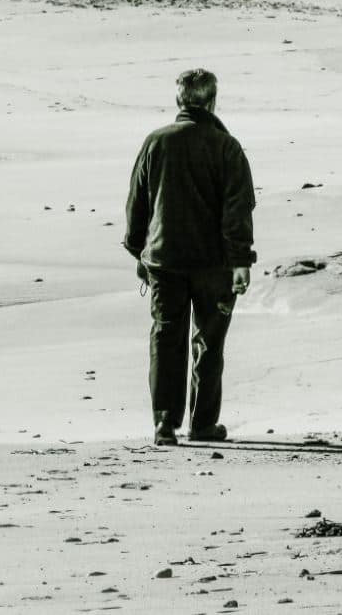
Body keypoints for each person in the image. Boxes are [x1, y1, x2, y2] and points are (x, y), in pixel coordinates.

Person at [124, 69, 257, 446]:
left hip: (165, 260)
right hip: (213, 263)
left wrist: (139, 251)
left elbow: (137, 205)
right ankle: (202, 424)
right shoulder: (226, 147)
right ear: (213, 101)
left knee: (167, 338)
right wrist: (241, 262)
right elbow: (238, 210)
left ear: (179, 101)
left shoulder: (156, 142)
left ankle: (164, 424)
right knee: (209, 342)